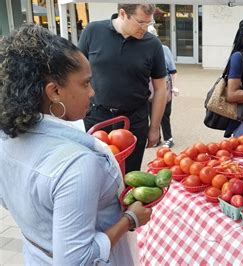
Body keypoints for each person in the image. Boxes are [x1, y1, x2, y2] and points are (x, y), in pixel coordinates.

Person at [0, 24, 151, 264]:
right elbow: (76, 260)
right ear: (55, 91)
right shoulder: (78, 163)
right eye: (85, 83)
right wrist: (130, 219)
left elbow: (10, 202)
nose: (92, 92)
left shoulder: (6, 137)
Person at [78, 4, 167, 172]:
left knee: (129, 176)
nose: (145, 28)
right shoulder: (93, 31)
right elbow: (76, 75)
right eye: (141, 22)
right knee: (94, 172)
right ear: (123, 14)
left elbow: (161, 89)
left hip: (134, 121)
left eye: (149, 23)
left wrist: (154, 128)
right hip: (96, 117)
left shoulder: (153, 44)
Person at [147, 25, 179, 148]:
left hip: (164, 84)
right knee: (151, 112)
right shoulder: (141, 49)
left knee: (165, 113)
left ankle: (168, 138)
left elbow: (173, 71)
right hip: (148, 86)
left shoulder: (164, 49)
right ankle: (157, 138)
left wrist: (174, 87)